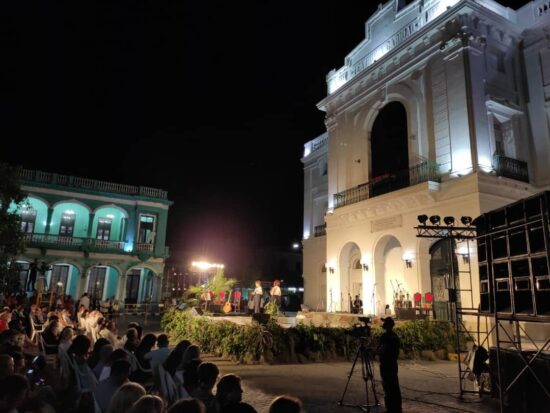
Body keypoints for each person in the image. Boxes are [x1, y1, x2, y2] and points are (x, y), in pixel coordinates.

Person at [377, 317, 402, 413]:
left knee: (387, 386)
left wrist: (374, 351)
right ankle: (397, 408)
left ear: (387, 325)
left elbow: (381, 350)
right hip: (393, 364)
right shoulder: (395, 336)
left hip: (385, 364)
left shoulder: (384, 336)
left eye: (384, 323)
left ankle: (390, 409)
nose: (383, 325)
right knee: (394, 386)